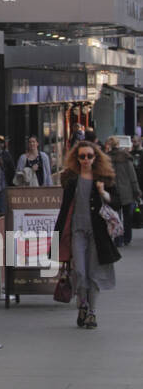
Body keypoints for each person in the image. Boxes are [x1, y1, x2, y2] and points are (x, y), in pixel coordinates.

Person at [54, 142, 121, 330]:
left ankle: (92, 312)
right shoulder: (71, 179)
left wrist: (103, 193)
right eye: (82, 156)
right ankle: (82, 304)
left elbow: (117, 202)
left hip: (97, 233)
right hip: (77, 231)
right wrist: (57, 237)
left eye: (89, 156)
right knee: (80, 272)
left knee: (93, 274)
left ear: (95, 157)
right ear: (76, 158)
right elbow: (65, 208)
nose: (85, 160)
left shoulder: (103, 178)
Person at [105, 137, 141, 245]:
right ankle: (127, 238)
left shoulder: (107, 158)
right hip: (127, 190)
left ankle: (118, 238)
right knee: (127, 216)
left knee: (116, 216)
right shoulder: (126, 157)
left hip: (112, 190)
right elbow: (132, 176)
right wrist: (136, 191)